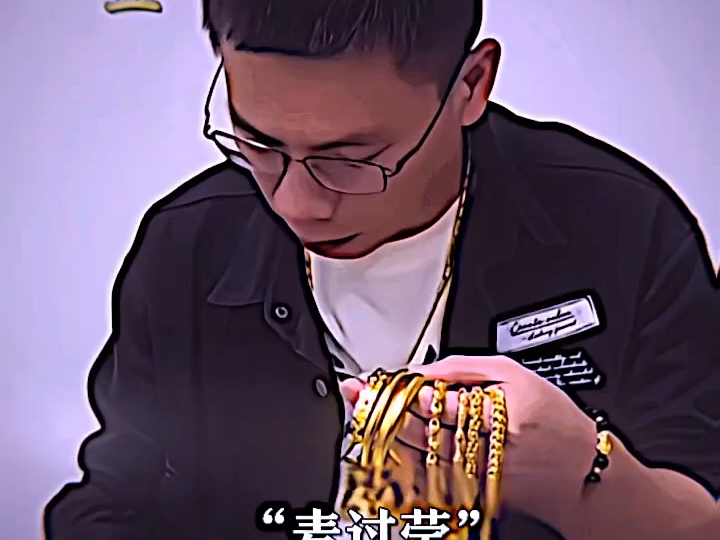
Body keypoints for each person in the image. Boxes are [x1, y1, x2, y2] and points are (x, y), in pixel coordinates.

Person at [45, 1, 719, 539]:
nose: (297, 204)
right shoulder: (188, 244)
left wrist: (585, 479)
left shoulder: (620, 225)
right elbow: (113, 501)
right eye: (257, 142)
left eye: (351, 159)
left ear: (471, 86)